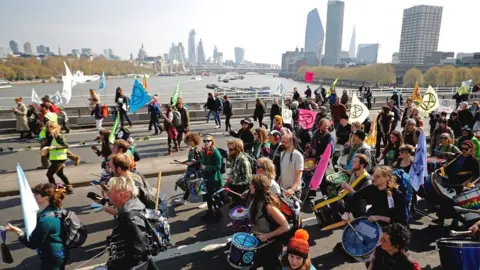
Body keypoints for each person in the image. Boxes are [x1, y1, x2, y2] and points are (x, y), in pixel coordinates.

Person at [4, 183, 68, 270]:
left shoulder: (46, 221)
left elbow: (33, 243)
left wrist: (18, 232)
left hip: (52, 257)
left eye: (37, 194)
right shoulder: (56, 210)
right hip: (60, 251)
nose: (34, 195)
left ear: (46, 198)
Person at [105, 176, 158, 270]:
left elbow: (139, 248)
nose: (107, 193)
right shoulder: (133, 202)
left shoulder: (129, 217)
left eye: (110, 191)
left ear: (121, 195)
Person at [248, 174, 290, 270]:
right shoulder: (254, 199)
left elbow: (286, 226)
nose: (249, 185)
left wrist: (267, 236)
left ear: (256, 187)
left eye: (251, 184)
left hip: (271, 246)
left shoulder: (269, 207)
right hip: (260, 242)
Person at [199, 135, 224, 221]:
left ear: (212, 141)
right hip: (207, 178)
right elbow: (203, 161)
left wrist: (206, 167)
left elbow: (218, 166)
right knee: (208, 197)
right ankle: (210, 212)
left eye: (208, 141)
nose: (206, 142)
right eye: (204, 141)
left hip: (214, 179)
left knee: (215, 198)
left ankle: (218, 215)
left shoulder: (215, 152)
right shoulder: (205, 151)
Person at [45, 121, 73, 194]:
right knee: (60, 174)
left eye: (50, 128)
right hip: (56, 158)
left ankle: (57, 190)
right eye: (48, 127)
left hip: (59, 159)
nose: (49, 129)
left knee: (49, 174)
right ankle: (68, 188)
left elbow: (66, 145)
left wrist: (54, 147)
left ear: (55, 128)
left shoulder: (58, 136)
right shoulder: (52, 135)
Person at [226, 138, 252, 208]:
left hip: (241, 190)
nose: (229, 151)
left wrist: (233, 180)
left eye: (230, 149)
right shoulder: (234, 157)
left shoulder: (244, 161)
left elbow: (247, 180)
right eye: (228, 149)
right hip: (234, 187)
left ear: (237, 149)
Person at [178, 132, 203, 202]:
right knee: (189, 185)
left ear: (195, 141)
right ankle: (184, 199)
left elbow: (202, 160)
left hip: (196, 171)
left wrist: (192, 162)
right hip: (191, 170)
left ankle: (205, 201)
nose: (188, 142)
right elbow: (190, 159)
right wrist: (185, 162)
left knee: (200, 185)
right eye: (188, 141)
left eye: (190, 141)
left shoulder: (198, 150)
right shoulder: (192, 149)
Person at [279, 134, 304, 199]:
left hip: (293, 192)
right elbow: (282, 172)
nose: (282, 143)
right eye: (282, 141)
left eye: (284, 142)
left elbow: (299, 175)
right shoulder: (282, 153)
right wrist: (277, 183)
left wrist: (292, 189)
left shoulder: (298, 156)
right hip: (283, 190)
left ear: (291, 142)